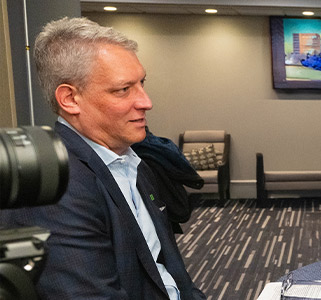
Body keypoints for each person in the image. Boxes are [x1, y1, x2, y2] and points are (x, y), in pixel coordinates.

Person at [0, 17, 205, 299]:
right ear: (70, 99)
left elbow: (169, 270)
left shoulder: (132, 161)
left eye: (141, 84)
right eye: (123, 90)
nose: (146, 102)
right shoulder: (58, 190)